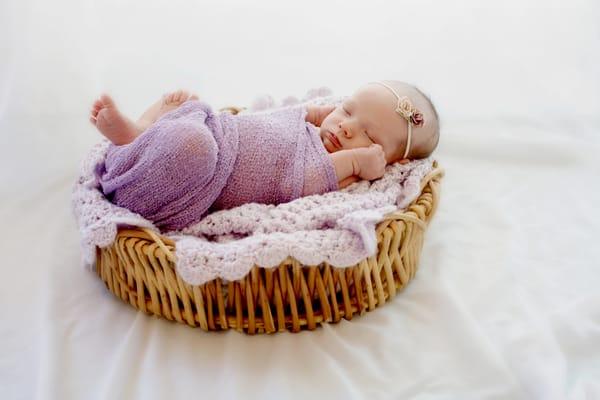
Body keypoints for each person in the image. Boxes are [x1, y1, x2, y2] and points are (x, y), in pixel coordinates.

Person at [89, 81, 439, 231]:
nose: (346, 127)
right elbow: (300, 114)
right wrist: (318, 113)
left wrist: (359, 163)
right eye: (347, 110)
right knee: (190, 107)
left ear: (393, 161)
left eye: (368, 134)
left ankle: (139, 139)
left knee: (192, 145)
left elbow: (307, 181)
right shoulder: (323, 125)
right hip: (218, 131)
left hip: (198, 174)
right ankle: (140, 132)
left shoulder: (348, 175)